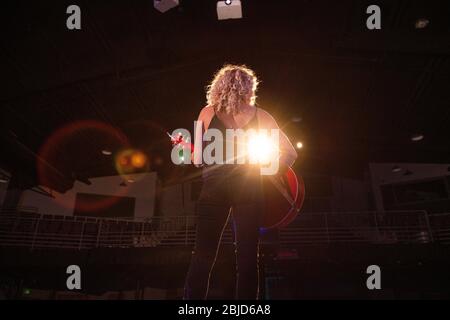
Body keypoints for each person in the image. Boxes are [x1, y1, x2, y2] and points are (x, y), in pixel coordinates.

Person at [183, 64, 297, 299]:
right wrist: (270, 170)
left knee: (202, 255)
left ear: (219, 86)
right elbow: (290, 153)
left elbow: (196, 160)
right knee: (246, 258)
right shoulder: (263, 116)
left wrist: (191, 149)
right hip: (249, 189)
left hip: (214, 189)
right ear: (250, 88)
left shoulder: (207, 112)